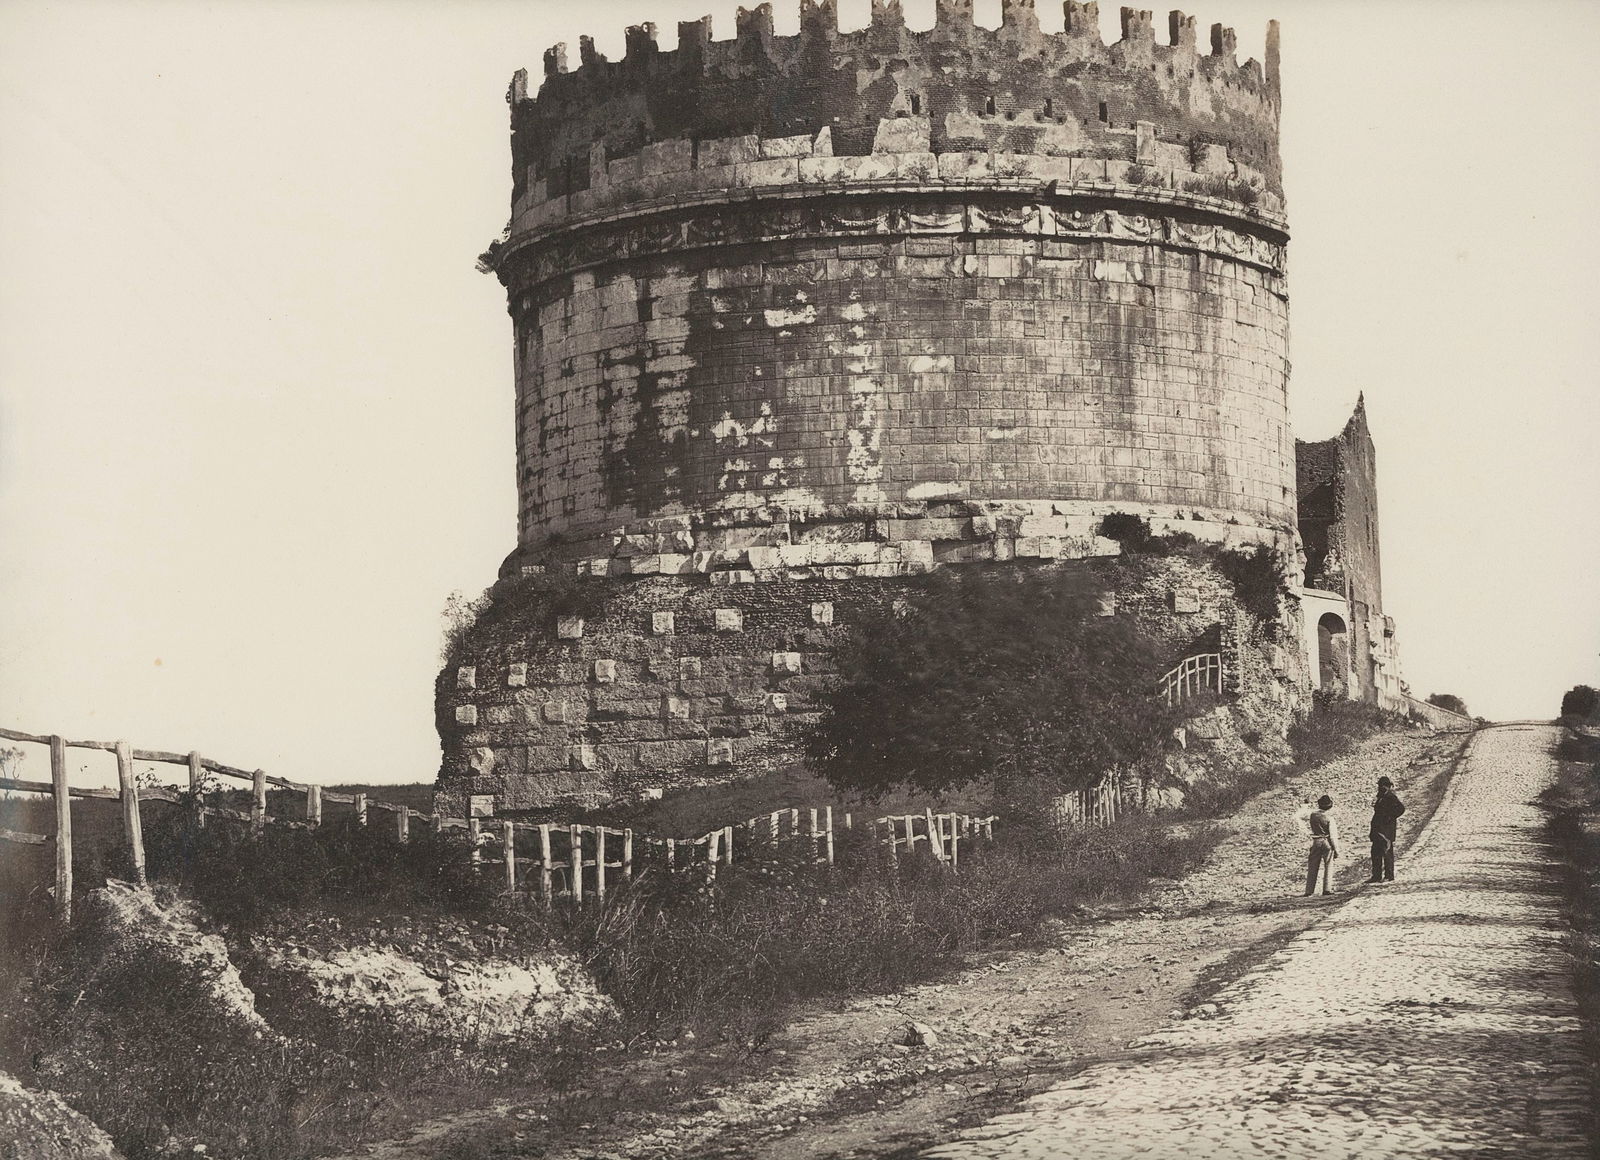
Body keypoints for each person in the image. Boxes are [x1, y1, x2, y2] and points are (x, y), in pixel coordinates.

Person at [1369, 776, 1406, 882]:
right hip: (1378, 830)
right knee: (1375, 853)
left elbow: (1401, 809)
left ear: (1387, 786)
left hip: (1386, 830)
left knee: (1386, 852)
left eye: (1383, 785)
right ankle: (1376, 876)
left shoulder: (1391, 797)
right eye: (1380, 785)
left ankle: (1389, 875)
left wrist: (1389, 817)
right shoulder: (1381, 797)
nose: (1380, 787)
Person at [1305, 794, 1339, 896]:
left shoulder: (1313, 815)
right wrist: (1336, 849)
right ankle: (1327, 889)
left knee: (1313, 865)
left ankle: (1309, 890)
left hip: (1316, 840)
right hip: (1326, 841)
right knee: (1328, 865)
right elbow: (1333, 836)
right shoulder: (1329, 818)